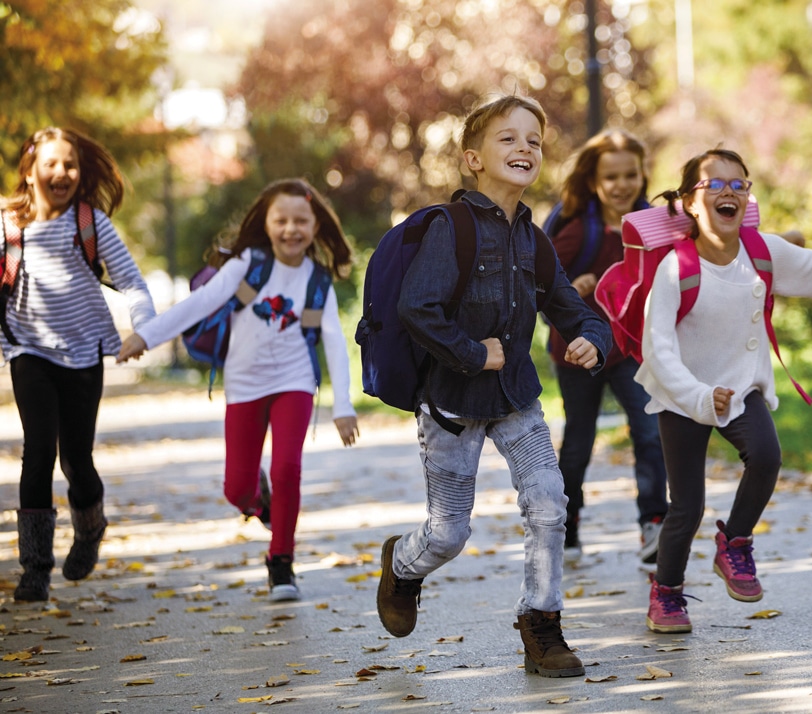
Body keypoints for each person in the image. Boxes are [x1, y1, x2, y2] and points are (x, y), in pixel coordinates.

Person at [374, 94, 611, 679]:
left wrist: (593, 338)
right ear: (472, 158)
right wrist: (473, 353)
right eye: (507, 138)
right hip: (450, 405)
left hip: (516, 399)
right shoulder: (450, 227)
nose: (524, 148)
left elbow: (569, 305)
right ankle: (402, 566)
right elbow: (416, 307)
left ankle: (542, 626)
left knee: (550, 504)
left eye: (533, 139)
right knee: (448, 534)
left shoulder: (534, 238)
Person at [636, 148, 812, 634]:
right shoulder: (675, 269)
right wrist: (695, 395)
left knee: (767, 455)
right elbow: (658, 349)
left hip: (740, 387)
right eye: (714, 184)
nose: (728, 191)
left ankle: (735, 542)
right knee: (686, 507)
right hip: (683, 395)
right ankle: (667, 593)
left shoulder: (762, 253)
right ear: (691, 202)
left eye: (739, 183)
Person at [117, 178, 359, 602]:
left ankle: (281, 562)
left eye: (301, 221)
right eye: (281, 220)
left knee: (287, 470)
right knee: (237, 490)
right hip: (245, 386)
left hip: (294, 383)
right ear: (265, 223)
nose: (291, 229)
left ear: (316, 226)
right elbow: (200, 303)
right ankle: (262, 506)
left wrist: (343, 406)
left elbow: (335, 341)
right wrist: (147, 336)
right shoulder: (248, 264)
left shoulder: (316, 280)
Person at [1, 127, 157, 602]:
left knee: (76, 459)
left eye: (69, 164)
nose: (61, 173)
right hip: (28, 350)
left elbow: (132, 281)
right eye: (49, 164)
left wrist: (141, 329)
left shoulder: (89, 223)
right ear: (29, 172)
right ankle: (35, 569)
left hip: (85, 353)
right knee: (38, 451)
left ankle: (89, 529)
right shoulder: (8, 226)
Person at [545, 129, 668, 565]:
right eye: (611, 176)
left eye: (630, 174)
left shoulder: (654, 223)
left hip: (632, 349)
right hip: (578, 348)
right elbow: (542, 280)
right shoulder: (580, 229)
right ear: (594, 180)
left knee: (650, 431)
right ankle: (568, 521)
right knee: (579, 440)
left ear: (643, 175)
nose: (622, 184)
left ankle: (654, 523)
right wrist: (571, 289)